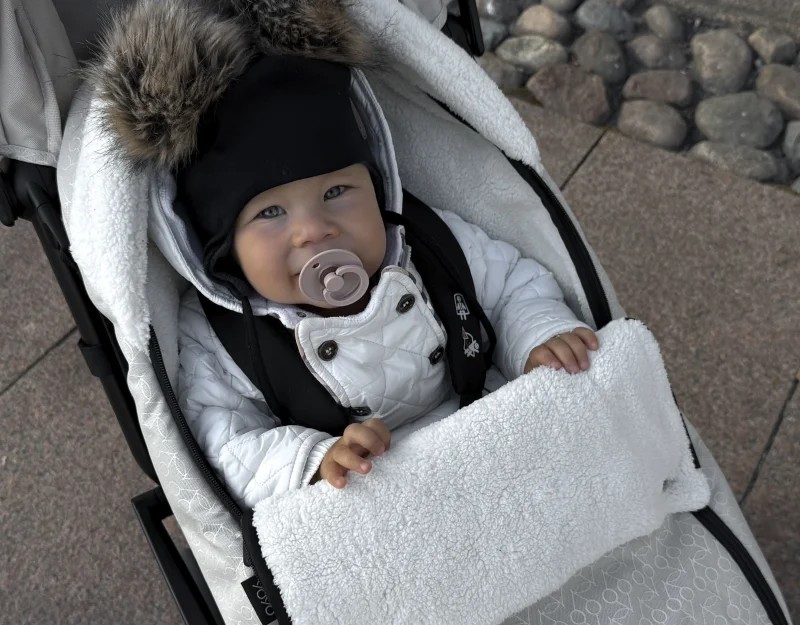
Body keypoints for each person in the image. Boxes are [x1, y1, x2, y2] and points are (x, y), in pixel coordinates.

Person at [91, 0, 599, 504]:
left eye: (336, 192)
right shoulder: (218, 336)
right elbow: (227, 444)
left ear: (376, 187)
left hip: (488, 436)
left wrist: (537, 337)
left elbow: (512, 285)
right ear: (223, 246)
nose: (314, 230)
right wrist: (313, 461)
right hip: (366, 497)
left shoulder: (428, 244)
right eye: (270, 213)